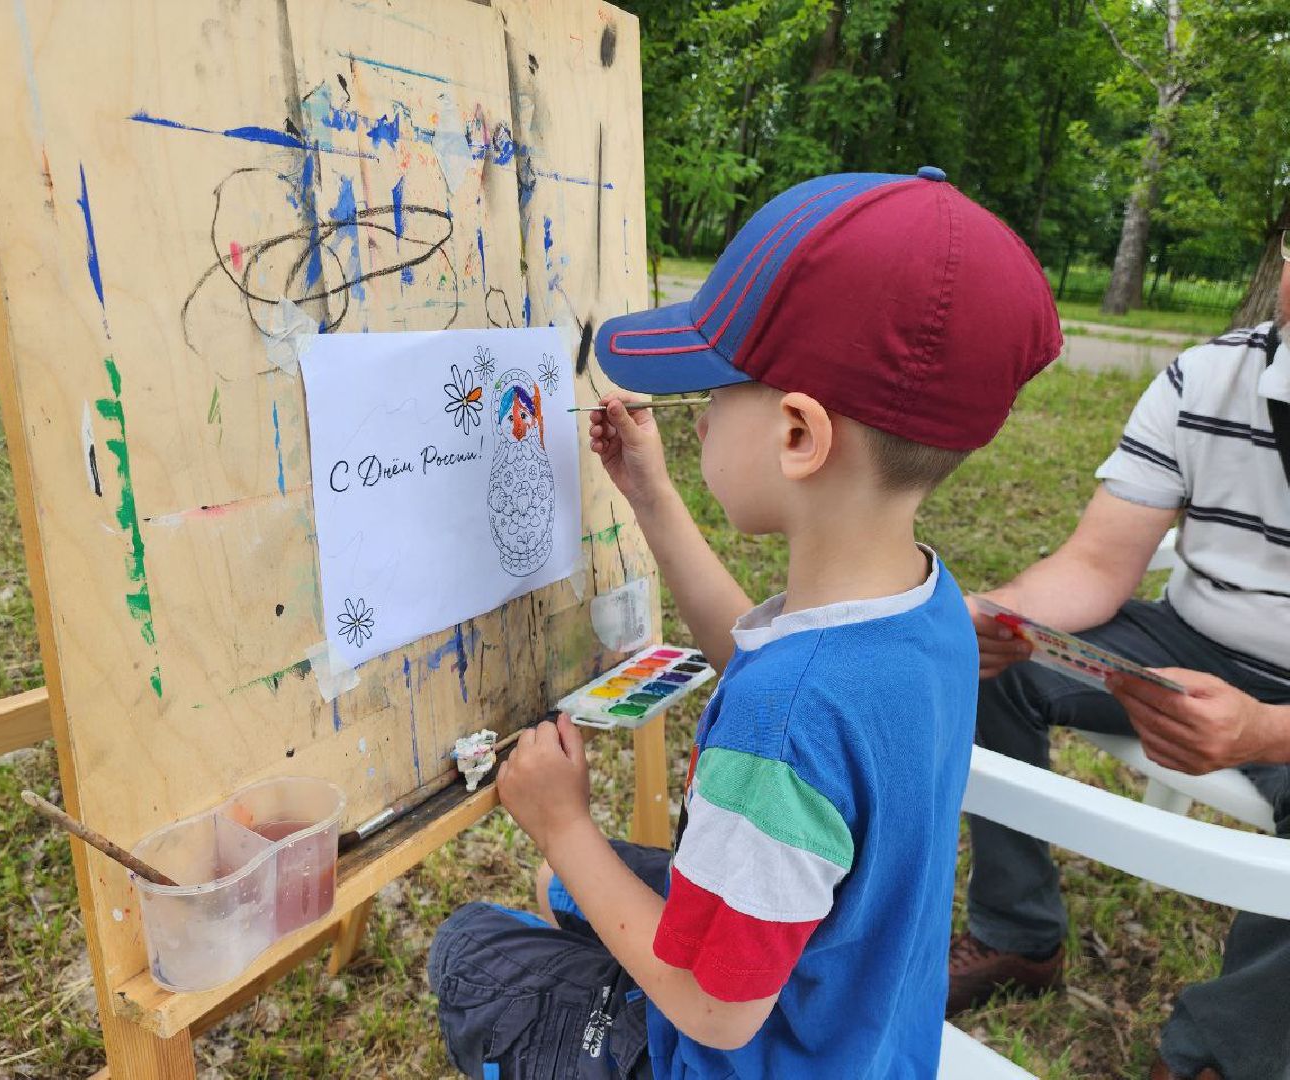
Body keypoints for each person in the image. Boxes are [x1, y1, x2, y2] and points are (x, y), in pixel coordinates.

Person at [427, 168, 1061, 1078]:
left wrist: (563, 823)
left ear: (798, 435)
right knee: (560, 891)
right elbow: (754, 651)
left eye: (713, 393)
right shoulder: (923, 610)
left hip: (746, 1050)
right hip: (864, 1032)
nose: (699, 418)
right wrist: (652, 496)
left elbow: (717, 1008)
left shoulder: (782, 731)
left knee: (473, 947)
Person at [949, 232, 1290, 1080]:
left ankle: (1226, 1051)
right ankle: (1017, 933)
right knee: (992, 663)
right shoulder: (1209, 375)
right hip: (1190, 634)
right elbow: (1098, 566)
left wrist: (1266, 731)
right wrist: (1004, 614)